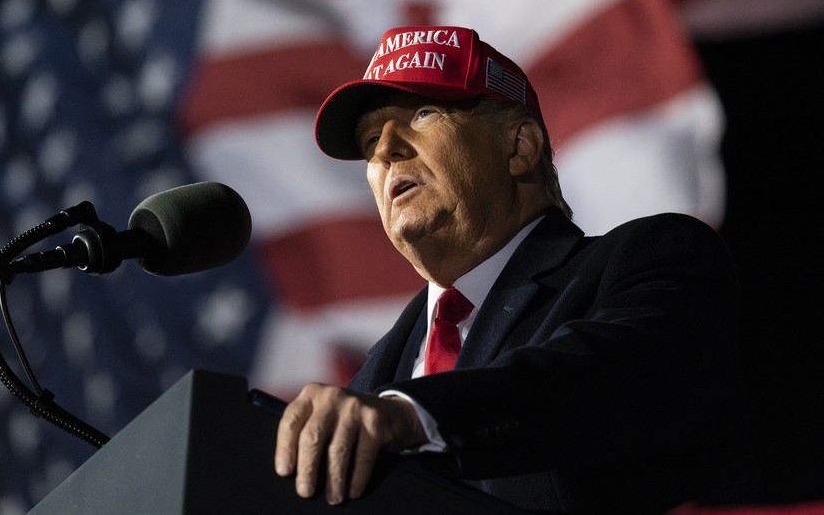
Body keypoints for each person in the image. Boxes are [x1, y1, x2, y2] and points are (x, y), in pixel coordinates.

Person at [273, 26, 756, 514]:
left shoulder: (650, 256)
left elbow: (606, 378)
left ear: (519, 145)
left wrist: (416, 415)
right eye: (371, 137)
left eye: (423, 113)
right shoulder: (373, 378)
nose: (386, 149)